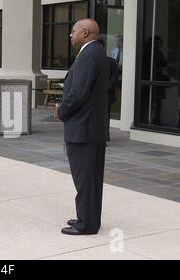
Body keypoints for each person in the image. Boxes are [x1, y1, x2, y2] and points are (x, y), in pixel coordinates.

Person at [54, 18, 110, 235]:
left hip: (83, 130)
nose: (70, 35)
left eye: (73, 31)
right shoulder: (98, 54)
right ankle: (89, 218)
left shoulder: (88, 56)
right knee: (92, 179)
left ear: (85, 33)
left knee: (85, 179)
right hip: (92, 128)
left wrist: (61, 111)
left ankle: (86, 224)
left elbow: (78, 93)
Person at [97, 39, 119, 118]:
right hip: (93, 95)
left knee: (105, 117)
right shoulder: (91, 61)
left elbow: (114, 78)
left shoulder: (111, 61)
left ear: (104, 48)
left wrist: (105, 90)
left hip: (107, 94)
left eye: (101, 47)